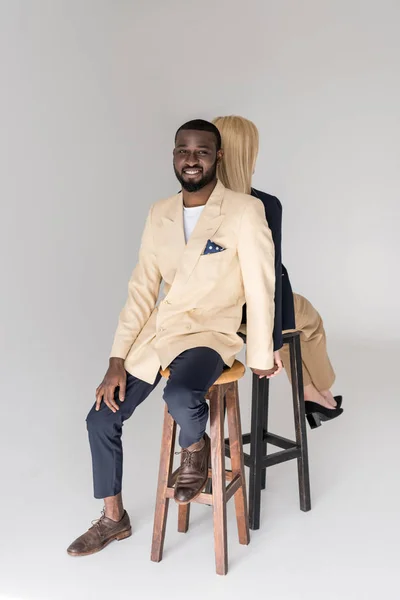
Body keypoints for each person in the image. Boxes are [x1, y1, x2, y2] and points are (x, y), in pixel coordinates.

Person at [67, 119, 280, 557]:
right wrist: (116, 359)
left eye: (202, 151)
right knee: (100, 418)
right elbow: (143, 289)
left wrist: (260, 353)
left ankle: (195, 447)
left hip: (210, 332)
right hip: (161, 332)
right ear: (173, 155)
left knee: (182, 395)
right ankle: (113, 518)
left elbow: (261, 287)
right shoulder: (159, 212)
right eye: (183, 150)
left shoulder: (243, 211)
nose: (191, 159)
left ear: (217, 156)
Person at [213, 115, 343, 429]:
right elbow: (271, 278)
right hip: (254, 309)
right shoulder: (263, 204)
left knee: (289, 317)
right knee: (307, 319)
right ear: (246, 154)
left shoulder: (192, 202)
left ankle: (313, 391)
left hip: (214, 311)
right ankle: (317, 390)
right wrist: (268, 343)